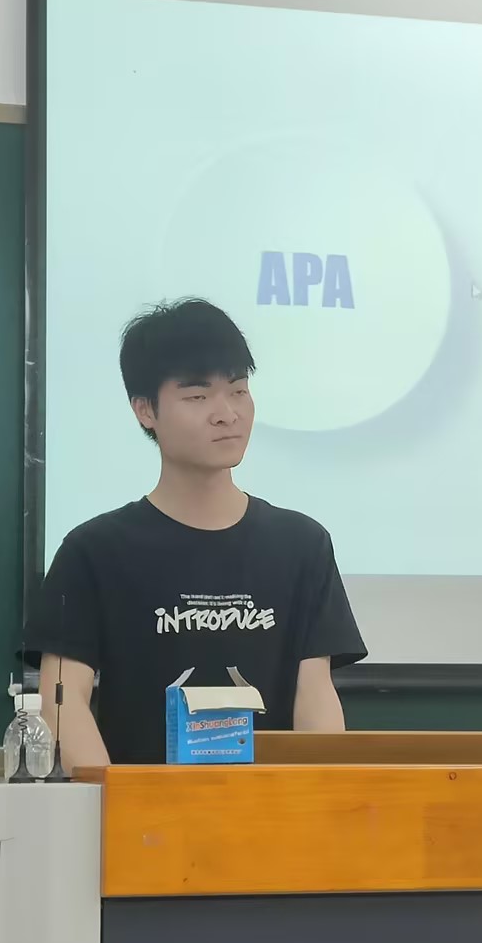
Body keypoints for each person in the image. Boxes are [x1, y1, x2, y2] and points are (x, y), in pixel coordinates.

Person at [25, 297, 367, 766]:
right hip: (141, 807)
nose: (226, 413)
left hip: (271, 805)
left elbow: (315, 697)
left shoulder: (302, 544)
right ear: (145, 410)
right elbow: (62, 703)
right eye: (197, 397)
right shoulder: (93, 551)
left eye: (238, 390)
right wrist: (119, 801)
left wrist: (319, 796)